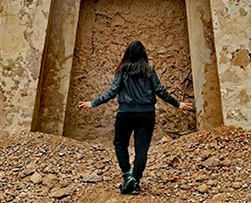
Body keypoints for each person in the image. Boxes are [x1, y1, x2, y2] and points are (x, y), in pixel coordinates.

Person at [78, 40, 195, 195]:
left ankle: (127, 177)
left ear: (128, 54)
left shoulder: (122, 71)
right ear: (143, 54)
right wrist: (177, 104)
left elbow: (112, 91)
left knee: (120, 144)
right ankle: (135, 180)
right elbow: (160, 90)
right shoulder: (149, 70)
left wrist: (93, 103)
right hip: (146, 114)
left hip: (125, 114)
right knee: (142, 150)